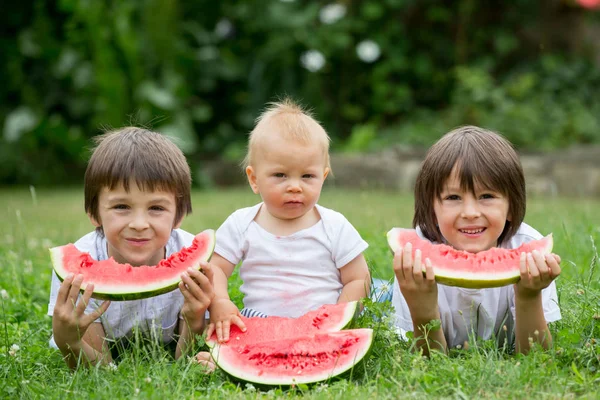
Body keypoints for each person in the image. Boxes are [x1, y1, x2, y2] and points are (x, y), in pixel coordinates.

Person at [47, 127, 215, 369]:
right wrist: (69, 342)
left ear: (177, 217)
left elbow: (183, 362)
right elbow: (101, 369)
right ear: (95, 213)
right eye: (121, 207)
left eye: (156, 208)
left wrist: (193, 319)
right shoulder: (78, 269)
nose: (139, 224)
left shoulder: (194, 260)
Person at [206, 99, 371, 343]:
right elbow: (216, 268)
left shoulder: (334, 226)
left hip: (322, 322)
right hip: (259, 321)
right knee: (228, 343)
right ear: (254, 179)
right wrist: (220, 302)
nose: (295, 186)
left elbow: (359, 278)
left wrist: (339, 317)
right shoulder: (242, 223)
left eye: (308, 176)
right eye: (280, 175)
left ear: (323, 177)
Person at [391, 126, 561, 355]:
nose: (470, 212)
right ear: (432, 210)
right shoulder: (414, 258)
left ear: (511, 207)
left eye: (486, 196)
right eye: (453, 197)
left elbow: (536, 359)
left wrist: (529, 295)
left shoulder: (530, 252)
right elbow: (427, 363)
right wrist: (423, 311)